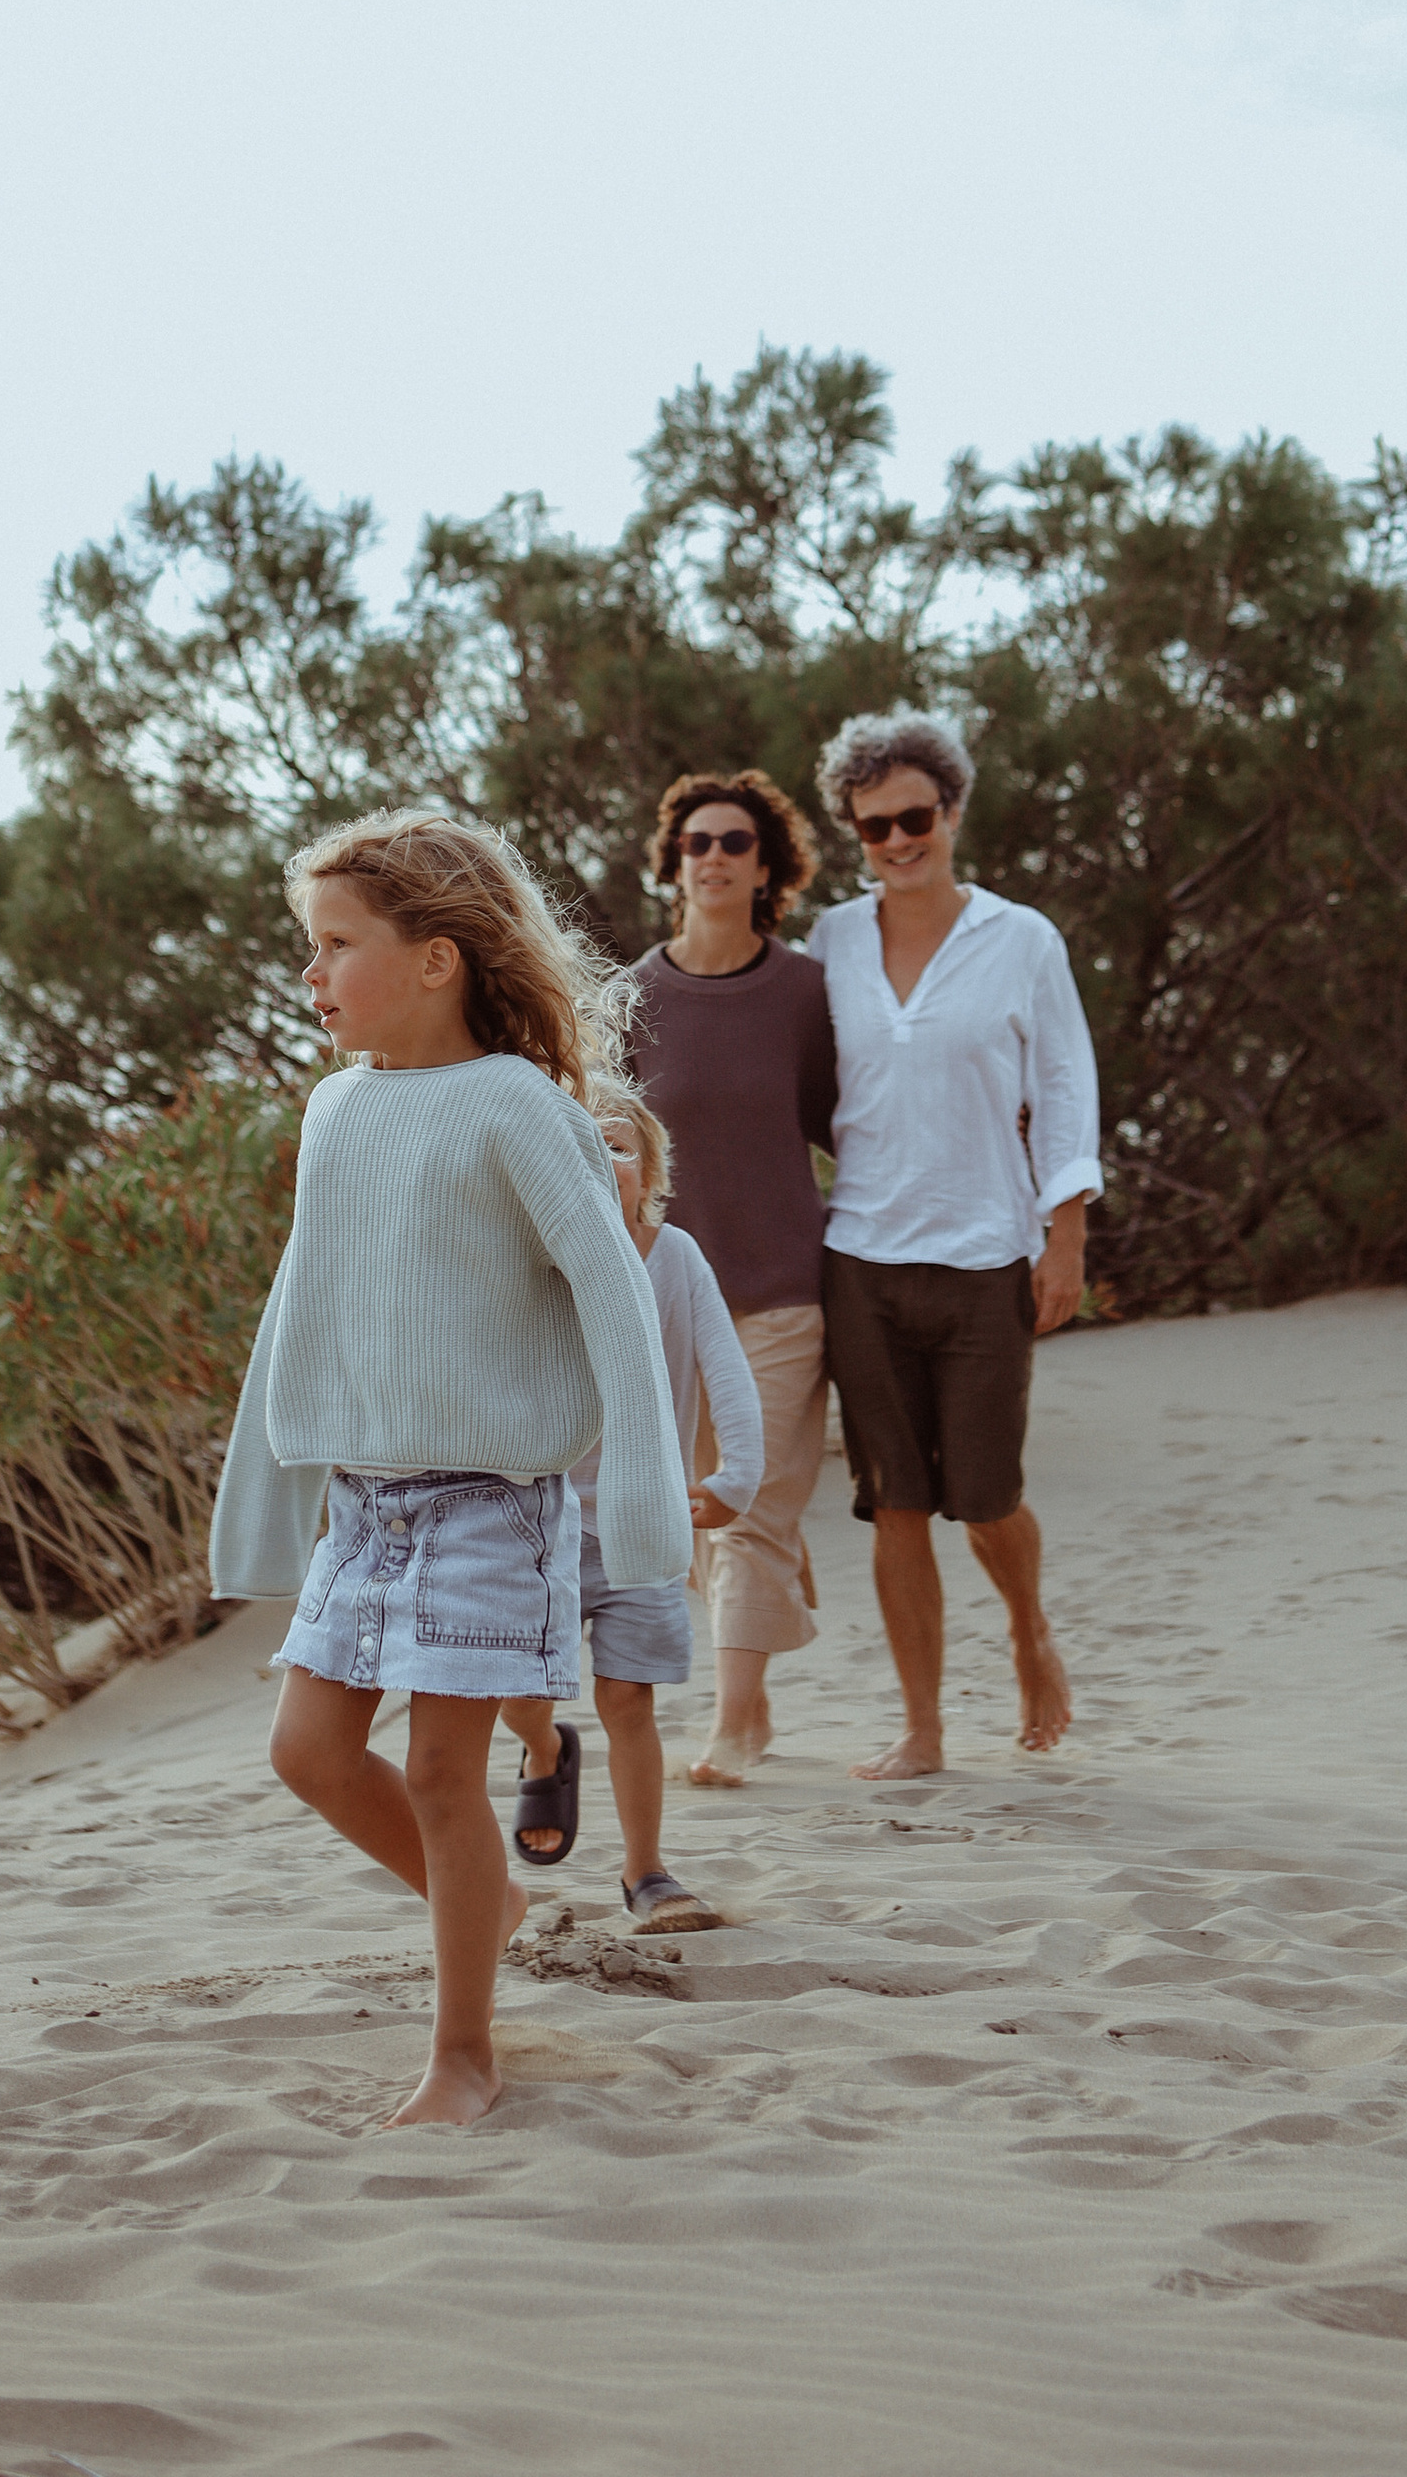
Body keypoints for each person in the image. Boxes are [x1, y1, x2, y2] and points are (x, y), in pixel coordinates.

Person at [208, 809, 689, 2130]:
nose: (312, 978)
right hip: (364, 1505)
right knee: (307, 1752)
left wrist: (642, 1497)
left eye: (335, 945)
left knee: (437, 1776)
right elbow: (300, 1306)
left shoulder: (519, 1107)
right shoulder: (334, 1113)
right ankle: (492, 1899)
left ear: (437, 960)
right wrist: (269, 1501)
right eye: (309, 949)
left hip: (491, 1501)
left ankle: (464, 2055)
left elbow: (612, 1290)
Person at [806, 710, 1100, 1779]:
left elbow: (1065, 1089)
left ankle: (1029, 1631)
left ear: (953, 810)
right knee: (895, 1500)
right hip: (861, 1255)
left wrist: (1062, 1235)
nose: (896, 842)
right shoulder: (830, 942)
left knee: (986, 1495)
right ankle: (921, 1729)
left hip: (985, 1254)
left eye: (914, 817)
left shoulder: (1021, 940)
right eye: (873, 826)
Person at [500, 1075, 765, 1930]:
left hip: (641, 1520)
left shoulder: (676, 1258)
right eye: (583, 1142)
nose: (601, 1156)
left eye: (620, 1145)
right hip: (535, 1522)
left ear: (649, 1174)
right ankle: (544, 1750)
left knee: (629, 1698)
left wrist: (737, 1478)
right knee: (519, 1688)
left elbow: (724, 1370)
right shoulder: (530, 1261)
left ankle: (646, 1871)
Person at [624, 768, 838, 1789]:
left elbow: (850, 1125)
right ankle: (753, 1681)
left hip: (785, 1284)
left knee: (749, 1499)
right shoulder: (631, 995)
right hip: (672, 1295)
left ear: (768, 869)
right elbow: (604, 1142)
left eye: (735, 843)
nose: (713, 857)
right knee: (706, 1512)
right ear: (674, 862)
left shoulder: (802, 992)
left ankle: (737, 1718)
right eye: (696, 842)